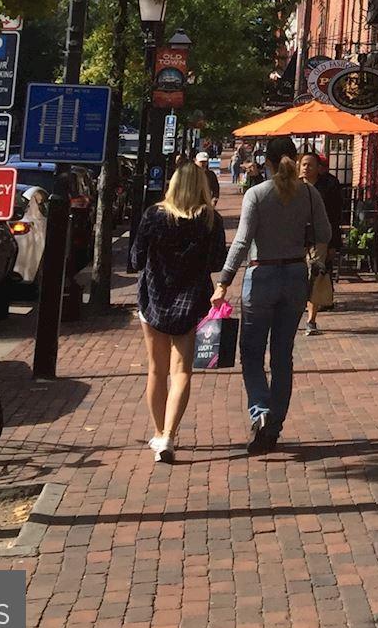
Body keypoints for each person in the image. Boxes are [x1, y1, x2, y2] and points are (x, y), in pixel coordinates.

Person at [213, 139, 330, 453]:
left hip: (261, 274)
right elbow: (325, 233)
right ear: (294, 158)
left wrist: (224, 280)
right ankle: (274, 425)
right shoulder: (309, 193)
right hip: (295, 275)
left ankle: (261, 410)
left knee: (251, 353)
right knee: (282, 356)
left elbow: (241, 242)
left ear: (267, 161)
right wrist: (307, 244)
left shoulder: (257, 194)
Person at [128, 162, 226, 464]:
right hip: (191, 300)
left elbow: (136, 259)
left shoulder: (153, 216)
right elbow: (216, 262)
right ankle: (169, 435)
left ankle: (159, 433)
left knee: (156, 369)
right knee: (182, 371)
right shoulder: (210, 219)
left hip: (154, 298)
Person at [301, 151, 345, 335]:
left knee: (314, 276)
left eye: (310, 164)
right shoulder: (294, 187)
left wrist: (333, 244)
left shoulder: (328, 187)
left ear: (319, 168)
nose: (306, 168)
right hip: (296, 239)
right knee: (298, 276)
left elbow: (335, 217)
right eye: (303, 164)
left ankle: (311, 320)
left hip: (319, 239)